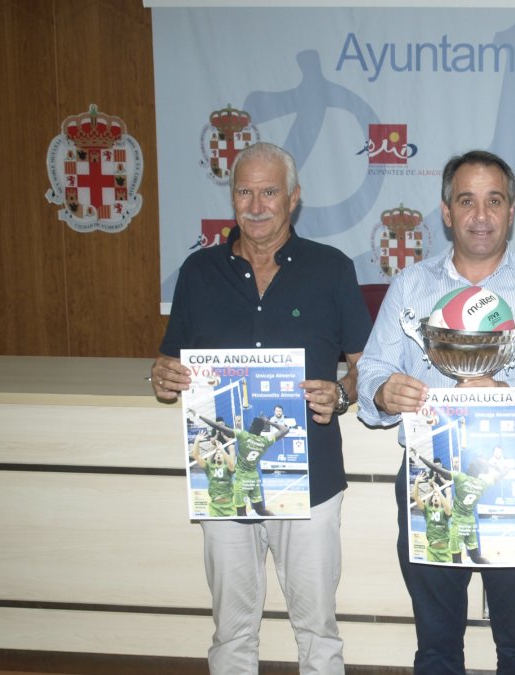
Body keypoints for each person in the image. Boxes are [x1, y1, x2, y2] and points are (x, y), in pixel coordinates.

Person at [356, 150, 515, 674]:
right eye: (467, 201)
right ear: (445, 211)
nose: (481, 216)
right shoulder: (410, 286)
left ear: (511, 211)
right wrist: (384, 391)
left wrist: (506, 395)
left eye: (494, 201)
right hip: (430, 471)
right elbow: (371, 370)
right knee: (436, 645)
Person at [150, 141, 371, 674]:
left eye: (269, 191)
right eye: (244, 191)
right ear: (232, 197)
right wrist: (162, 377)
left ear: (293, 199)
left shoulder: (332, 268)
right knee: (232, 629)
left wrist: (340, 393)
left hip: (311, 477)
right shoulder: (198, 272)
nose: (255, 205)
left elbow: (368, 368)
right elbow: (167, 365)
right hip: (223, 477)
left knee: (317, 628)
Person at [197, 413, 288, 517]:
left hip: (242, 480)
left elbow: (218, 426)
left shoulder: (243, 435)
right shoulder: (266, 440)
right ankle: (276, 521)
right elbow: (285, 430)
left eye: (251, 423)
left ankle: (247, 532)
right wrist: (268, 421)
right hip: (254, 478)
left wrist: (200, 416)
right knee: (260, 510)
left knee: (241, 513)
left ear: (252, 426)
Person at [191, 429, 236, 518]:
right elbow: (196, 455)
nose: (218, 454)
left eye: (221, 453)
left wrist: (222, 449)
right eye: (217, 453)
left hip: (229, 508)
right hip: (215, 508)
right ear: (214, 457)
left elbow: (231, 464)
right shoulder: (209, 467)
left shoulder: (228, 468)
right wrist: (197, 441)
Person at [412, 471, 454, 564]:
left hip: (445, 551)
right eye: (434, 496)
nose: (435, 497)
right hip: (432, 552)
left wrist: (439, 491)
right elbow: (416, 497)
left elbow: (448, 507)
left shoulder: (444, 511)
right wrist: (416, 482)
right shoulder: (427, 510)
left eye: (437, 496)